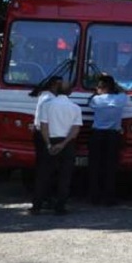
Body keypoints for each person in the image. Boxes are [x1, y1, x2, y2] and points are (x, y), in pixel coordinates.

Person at [30, 81, 82, 216]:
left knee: (43, 174)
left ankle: (37, 206)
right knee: (65, 176)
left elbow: (44, 126)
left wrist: (48, 144)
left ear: (56, 91)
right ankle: (60, 207)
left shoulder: (47, 106)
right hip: (67, 143)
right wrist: (63, 144)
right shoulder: (75, 108)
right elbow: (75, 130)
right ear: (70, 92)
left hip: (50, 140)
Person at [88, 75, 128, 206]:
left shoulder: (96, 100)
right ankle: (109, 197)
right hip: (113, 136)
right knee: (110, 168)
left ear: (103, 88)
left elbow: (90, 102)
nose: (97, 89)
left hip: (97, 135)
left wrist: (97, 93)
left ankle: (94, 197)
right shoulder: (120, 99)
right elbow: (123, 91)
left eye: (99, 87)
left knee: (95, 166)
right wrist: (115, 86)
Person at [30, 76, 63, 208]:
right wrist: (49, 142)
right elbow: (45, 122)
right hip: (45, 135)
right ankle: (44, 198)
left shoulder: (44, 96)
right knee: (46, 169)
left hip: (41, 134)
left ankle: (43, 197)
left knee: (44, 168)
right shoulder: (49, 99)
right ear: (55, 85)